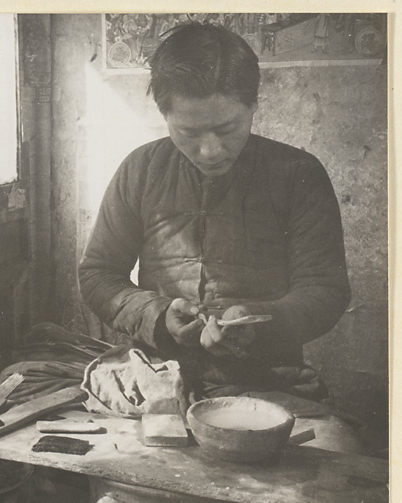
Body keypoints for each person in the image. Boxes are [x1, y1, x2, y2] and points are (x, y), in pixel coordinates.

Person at [78, 23, 351, 403]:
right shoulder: (141, 168)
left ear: (253, 105)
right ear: (165, 115)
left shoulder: (298, 174)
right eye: (188, 132)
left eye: (227, 129)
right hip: (156, 377)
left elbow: (325, 290)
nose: (210, 151)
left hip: (270, 381)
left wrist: (256, 321)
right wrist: (157, 315)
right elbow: (98, 274)